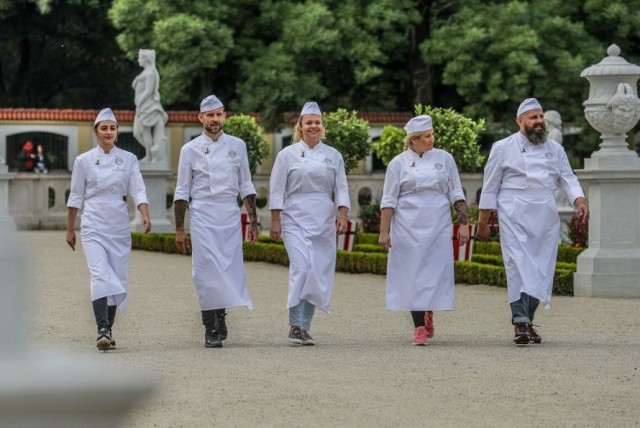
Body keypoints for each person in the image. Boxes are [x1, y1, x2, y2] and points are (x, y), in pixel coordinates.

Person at [476, 98, 589, 345]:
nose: (539, 122)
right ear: (520, 121)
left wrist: (579, 201)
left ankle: (527, 320)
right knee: (518, 266)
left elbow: (567, 179)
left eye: (540, 117)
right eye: (533, 117)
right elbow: (490, 186)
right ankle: (520, 322)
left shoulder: (555, 150)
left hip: (545, 214)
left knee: (541, 270)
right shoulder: (502, 147)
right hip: (513, 212)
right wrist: (483, 220)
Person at [174, 95, 258, 349]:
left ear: (225, 116)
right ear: (201, 118)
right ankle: (210, 326)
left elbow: (246, 184)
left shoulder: (238, 145)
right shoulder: (189, 150)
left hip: (229, 214)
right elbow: (182, 191)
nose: (215, 119)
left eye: (219, 114)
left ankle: (221, 315)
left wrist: (253, 221)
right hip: (202, 214)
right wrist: (180, 229)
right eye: (210, 115)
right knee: (206, 272)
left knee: (228, 269)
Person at [378, 115, 470, 346]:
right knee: (412, 273)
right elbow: (388, 200)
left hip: (438, 221)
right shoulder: (397, 164)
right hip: (407, 223)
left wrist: (464, 223)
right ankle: (419, 326)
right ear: (412, 140)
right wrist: (384, 231)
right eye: (427, 136)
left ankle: (429, 311)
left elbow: (456, 193)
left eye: (432, 135)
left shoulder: (445, 159)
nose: (432, 139)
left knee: (434, 271)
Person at [66, 108, 151, 351]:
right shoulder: (83, 161)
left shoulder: (129, 159)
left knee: (117, 277)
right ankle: (102, 328)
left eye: (112, 128)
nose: (109, 132)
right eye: (104, 128)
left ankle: (109, 330)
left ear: (117, 132)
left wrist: (144, 214)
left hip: (118, 223)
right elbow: (75, 196)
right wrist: (70, 229)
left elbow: (138, 190)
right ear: (96, 132)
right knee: (100, 274)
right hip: (93, 222)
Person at [269, 101, 351, 346]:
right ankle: (295, 324)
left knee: (317, 273)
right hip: (294, 218)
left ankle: (304, 327)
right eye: (309, 122)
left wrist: (343, 216)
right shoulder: (286, 155)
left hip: (324, 219)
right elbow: (276, 190)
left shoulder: (333, 155)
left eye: (317, 122)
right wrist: (275, 221)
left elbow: (342, 189)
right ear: (300, 126)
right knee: (302, 267)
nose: (313, 126)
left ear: (322, 125)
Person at [132, 49, 168, 162]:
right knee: (137, 133)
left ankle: (150, 156)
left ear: (145, 59)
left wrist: (139, 104)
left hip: (147, 107)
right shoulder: (145, 73)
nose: (138, 60)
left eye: (139, 57)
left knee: (145, 132)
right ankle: (153, 151)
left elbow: (148, 91)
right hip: (142, 107)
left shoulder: (151, 74)